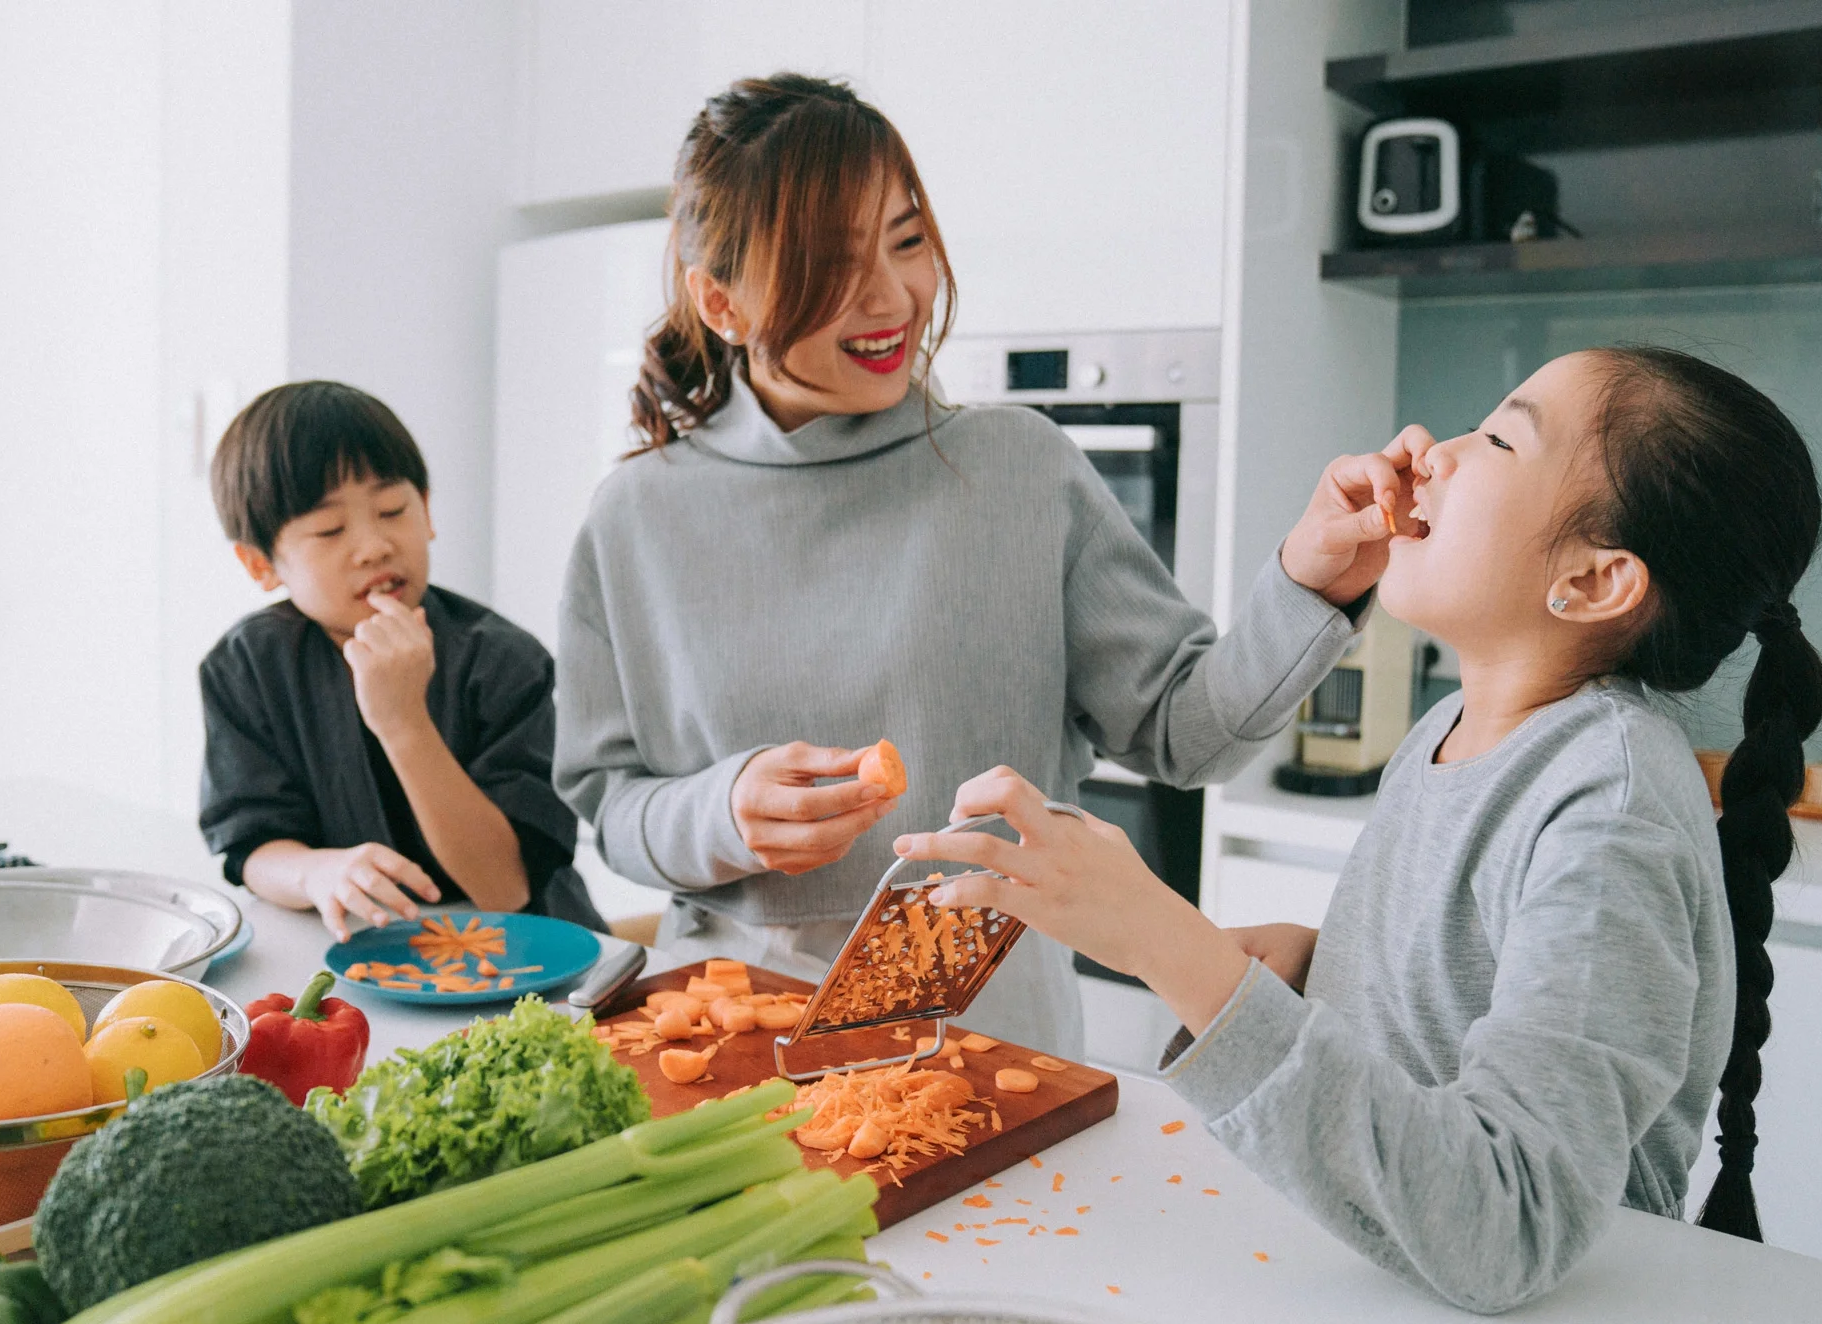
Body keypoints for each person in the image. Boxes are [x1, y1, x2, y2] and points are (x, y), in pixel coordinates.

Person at [897, 347, 1822, 1311]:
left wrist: (1173, 949)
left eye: (1503, 438)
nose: (1431, 449)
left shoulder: (1609, 810)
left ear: (1594, 584)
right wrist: (1329, 966)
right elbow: (1459, 1006)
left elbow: (1508, 1224)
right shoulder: (1452, 734)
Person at [552, 74, 1366, 1057]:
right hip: (732, 1031)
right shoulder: (635, 516)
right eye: (828, 265)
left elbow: (1188, 735)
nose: (893, 297)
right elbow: (613, 808)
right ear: (720, 301)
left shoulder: (1017, 467)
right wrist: (719, 813)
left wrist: (1312, 579)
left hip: (994, 1046)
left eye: (906, 239)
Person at [199, 380, 602, 941]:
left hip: (531, 963)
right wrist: (316, 870)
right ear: (260, 565)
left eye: (392, 510)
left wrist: (403, 722)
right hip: (360, 956)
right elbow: (249, 845)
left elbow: (505, 889)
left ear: (427, 510)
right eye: (329, 529)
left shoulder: (503, 659)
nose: (374, 546)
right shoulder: (244, 667)